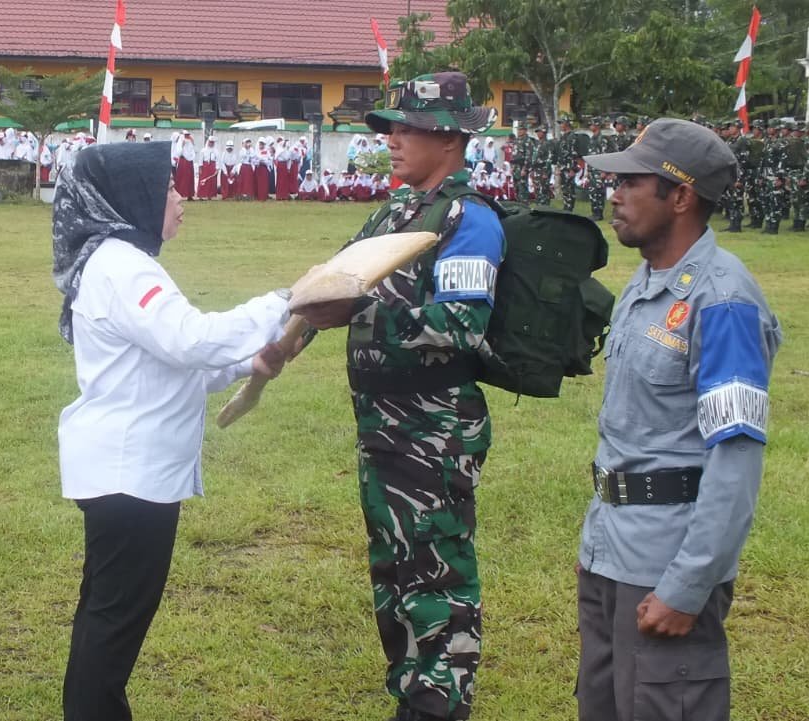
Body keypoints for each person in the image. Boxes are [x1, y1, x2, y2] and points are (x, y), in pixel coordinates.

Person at [51, 140, 289, 721]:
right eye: (169, 188)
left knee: (105, 618)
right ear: (132, 197)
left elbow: (169, 363)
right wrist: (284, 302)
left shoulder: (117, 261)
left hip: (123, 469)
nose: (182, 199)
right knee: (112, 626)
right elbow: (189, 338)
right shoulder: (122, 266)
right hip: (131, 475)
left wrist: (246, 364)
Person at [299, 72, 504, 721]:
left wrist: (367, 313)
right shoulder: (393, 213)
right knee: (392, 570)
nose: (391, 139)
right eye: (390, 126)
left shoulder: (470, 221)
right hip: (382, 427)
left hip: (434, 429)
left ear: (448, 136)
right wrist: (283, 338)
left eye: (406, 127)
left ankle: (441, 700)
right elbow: (329, 286)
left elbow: (465, 326)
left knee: (437, 568)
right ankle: (411, 684)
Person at [575, 117, 781, 721]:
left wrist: (688, 584)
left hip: (665, 566)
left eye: (631, 182)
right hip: (611, 551)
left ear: (681, 196)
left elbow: (736, 458)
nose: (613, 193)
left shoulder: (724, 302)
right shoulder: (645, 285)